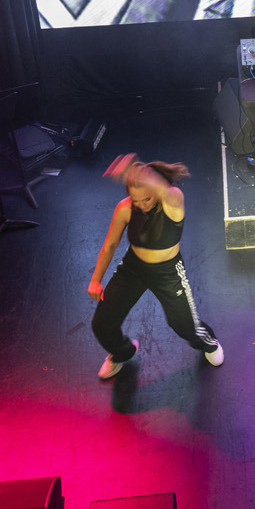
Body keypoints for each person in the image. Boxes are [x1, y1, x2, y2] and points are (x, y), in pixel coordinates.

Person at [89, 153, 223, 377]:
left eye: (147, 199)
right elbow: (110, 245)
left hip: (167, 272)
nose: (141, 205)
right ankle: (122, 352)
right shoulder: (125, 208)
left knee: (184, 325)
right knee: (102, 323)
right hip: (133, 268)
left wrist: (139, 174)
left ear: (156, 191)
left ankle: (210, 344)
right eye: (136, 200)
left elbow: (168, 192)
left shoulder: (172, 201)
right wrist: (95, 279)